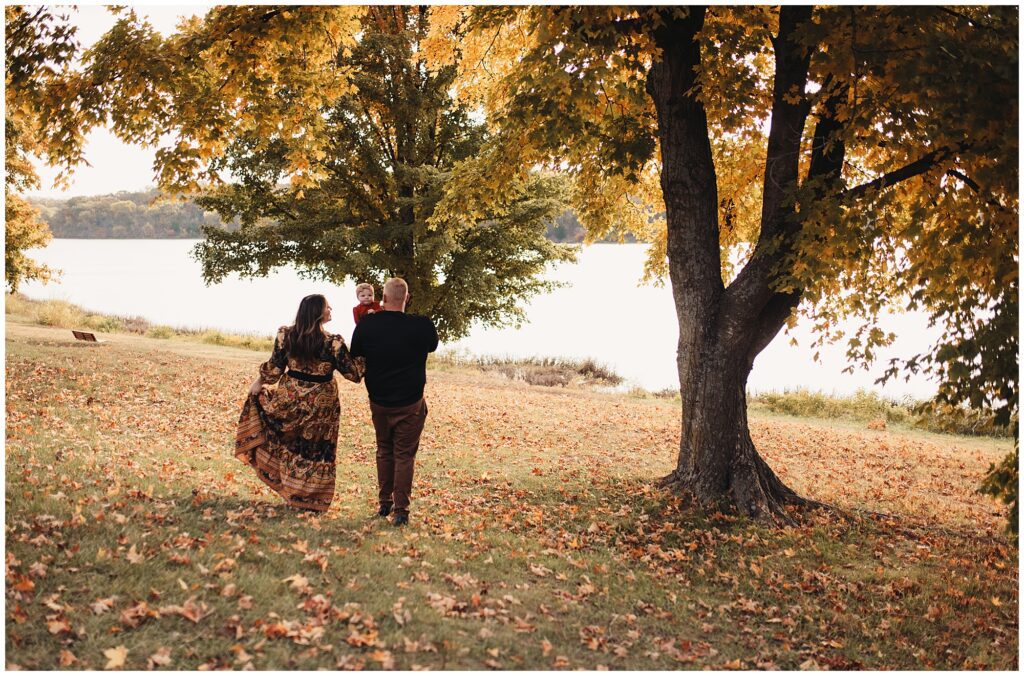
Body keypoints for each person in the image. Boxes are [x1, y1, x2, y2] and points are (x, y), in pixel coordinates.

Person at [235, 294, 364, 512]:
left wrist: (259, 381)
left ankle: (292, 490)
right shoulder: (334, 343)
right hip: (321, 405)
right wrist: (362, 357)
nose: (331, 308)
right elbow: (354, 374)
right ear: (316, 312)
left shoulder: (286, 335)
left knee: (291, 443)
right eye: (326, 306)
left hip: (290, 397)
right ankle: (309, 498)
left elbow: (275, 368)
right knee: (315, 449)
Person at [350, 277, 438, 526]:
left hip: (379, 399)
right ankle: (401, 510)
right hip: (410, 402)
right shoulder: (422, 325)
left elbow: (356, 354)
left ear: (383, 299)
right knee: (404, 455)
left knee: (384, 450)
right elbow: (432, 345)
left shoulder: (367, 325)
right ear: (407, 299)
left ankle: (384, 504)